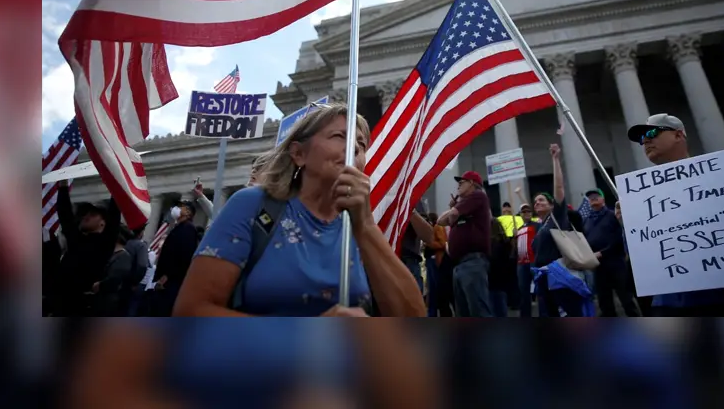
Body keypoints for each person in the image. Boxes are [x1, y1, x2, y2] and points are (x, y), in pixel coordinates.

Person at [173, 103, 425, 317]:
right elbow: (191, 310)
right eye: (340, 136)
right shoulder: (252, 204)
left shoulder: (359, 227)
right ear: (298, 154)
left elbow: (413, 318)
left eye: (360, 143)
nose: (355, 149)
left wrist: (366, 224)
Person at [624, 113, 724, 317]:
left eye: (652, 132)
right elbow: (641, 256)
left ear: (679, 135)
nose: (646, 140)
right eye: (641, 139)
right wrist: (627, 225)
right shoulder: (641, 199)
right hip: (672, 302)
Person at [531, 143, 587, 317]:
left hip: (561, 277)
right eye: (535, 202)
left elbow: (559, 188)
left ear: (552, 205)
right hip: (544, 279)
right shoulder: (541, 227)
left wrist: (555, 159)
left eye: (541, 200)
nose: (537, 203)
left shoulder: (558, 217)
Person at [53, 180, 121, 316]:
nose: (86, 217)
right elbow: (65, 214)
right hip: (59, 300)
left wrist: (116, 182)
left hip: (81, 305)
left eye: (93, 214)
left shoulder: (105, 242)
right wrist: (63, 187)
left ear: (103, 223)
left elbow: (114, 213)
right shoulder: (76, 238)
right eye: (86, 214)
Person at [434, 170, 493, 317]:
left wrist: (454, 209)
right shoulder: (464, 207)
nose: (458, 186)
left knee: (478, 311)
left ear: (472, 183)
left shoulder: (478, 196)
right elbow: (441, 221)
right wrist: (454, 210)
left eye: (462, 182)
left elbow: (443, 218)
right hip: (460, 265)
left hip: (473, 262)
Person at [582, 189, 641, 316]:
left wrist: (602, 252)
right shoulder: (587, 220)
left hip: (616, 263)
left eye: (596, 196)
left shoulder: (612, 215)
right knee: (604, 302)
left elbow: (618, 238)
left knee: (626, 298)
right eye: (590, 197)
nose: (593, 198)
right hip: (598, 266)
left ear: (603, 199)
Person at [151, 201, 199, 316]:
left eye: (180, 207)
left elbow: (184, 256)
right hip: (166, 281)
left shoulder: (188, 229)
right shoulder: (179, 228)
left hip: (171, 282)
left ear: (187, 212)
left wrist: (167, 276)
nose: (175, 209)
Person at [89, 226, 134, 316]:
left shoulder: (124, 256)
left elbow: (115, 279)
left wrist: (100, 285)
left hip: (108, 302)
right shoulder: (109, 253)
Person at [514, 203, 541, 317]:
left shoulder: (537, 225)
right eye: (524, 212)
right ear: (520, 214)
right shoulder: (518, 229)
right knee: (523, 292)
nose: (526, 213)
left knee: (540, 290)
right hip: (521, 263)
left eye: (528, 211)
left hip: (534, 261)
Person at [488, 218, 515, 317]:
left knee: (492, 307)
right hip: (502, 280)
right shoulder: (505, 242)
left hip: (491, 280)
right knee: (501, 307)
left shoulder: (490, 244)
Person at [123, 224, 150, 316]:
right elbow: (142, 265)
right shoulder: (141, 246)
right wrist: (135, 282)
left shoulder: (125, 243)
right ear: (141, 232)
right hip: (132, 284)